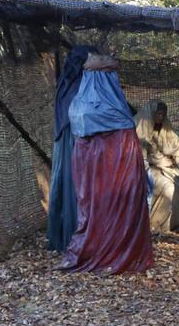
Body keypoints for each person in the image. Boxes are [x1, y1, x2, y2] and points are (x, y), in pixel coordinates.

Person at [59, 54, 154, 274]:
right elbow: (127, 151)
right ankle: (118, 250)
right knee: (117, 205)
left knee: (91, 209)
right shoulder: (115, 108)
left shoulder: (77, 106)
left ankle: (93, 247)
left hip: (87, 173)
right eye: (111, 75)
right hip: (116, 173)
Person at [47, 45, 92, 252]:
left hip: (68, 145)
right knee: (76, 189)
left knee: (71, 188)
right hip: (75, 145)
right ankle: (76, 236)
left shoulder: (66, 84)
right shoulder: (77, 86)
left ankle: (72, 234)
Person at [134, 99, 179, 233]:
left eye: (163, 114)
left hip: (165, 164)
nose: (161, 117)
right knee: (167, 187)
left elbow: (176, 142)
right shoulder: (139, 127)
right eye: (159, 114)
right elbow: (141, 154)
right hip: (144, 167)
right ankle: (158, 224)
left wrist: (176, 157)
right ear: (151, 113)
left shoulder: (164, 126)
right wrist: (161, 160)